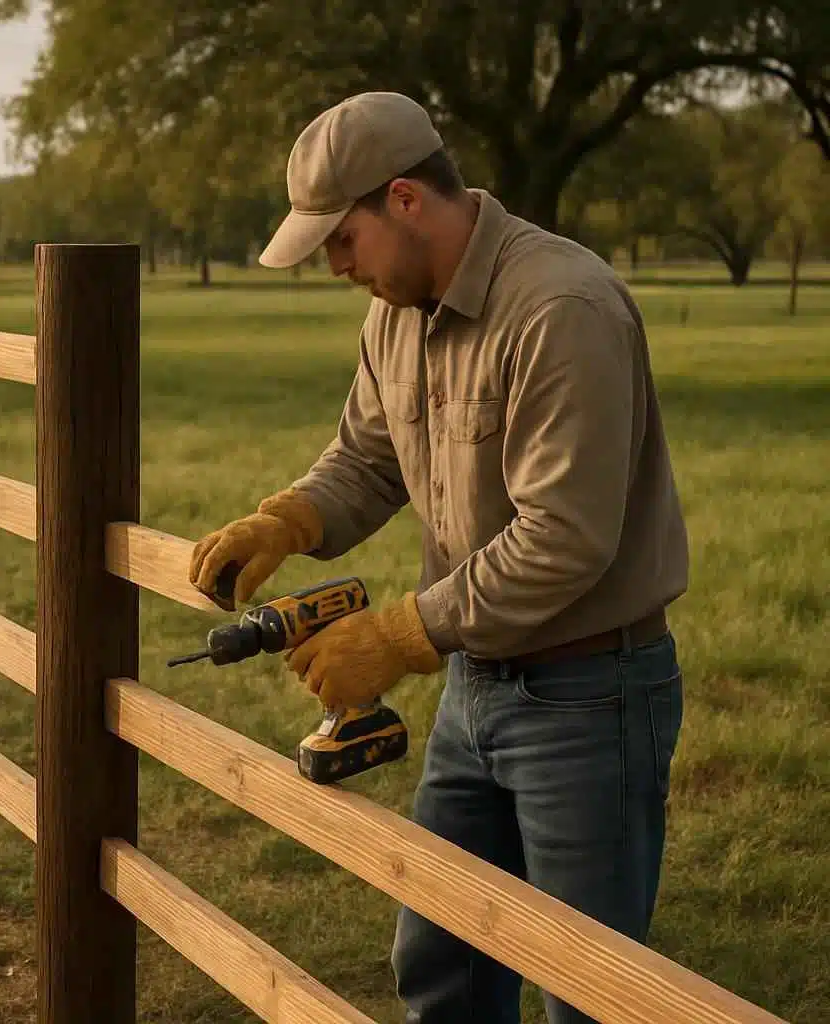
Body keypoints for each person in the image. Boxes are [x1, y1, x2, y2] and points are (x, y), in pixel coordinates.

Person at [186, 91, 690, 1024]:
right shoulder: (398, 311)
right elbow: (369, 458)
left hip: (589, 694)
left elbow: (564, 539)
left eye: (342, 239)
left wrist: (398, 634)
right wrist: (288, 520)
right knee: (442, 968)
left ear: (407, 200)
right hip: (476, 685)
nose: (335, 265)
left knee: (590, 992)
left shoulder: (559, 307)